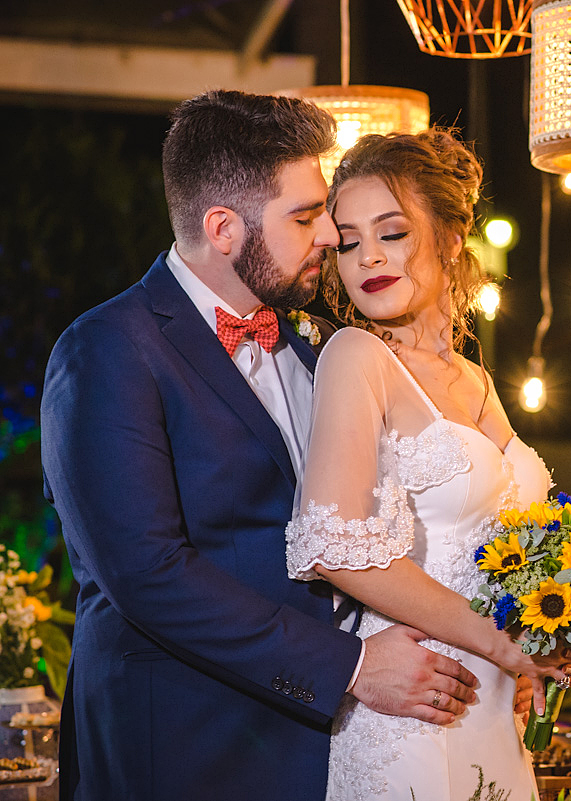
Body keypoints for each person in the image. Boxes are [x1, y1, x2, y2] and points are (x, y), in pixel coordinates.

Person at [40, 90, 481, 801]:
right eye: (304, 217)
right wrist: (350, 665)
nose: (331, 236)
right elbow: (148, 575)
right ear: (223, 228)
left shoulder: (317, 347)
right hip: (185, 750)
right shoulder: (108, 349)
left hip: (328, 746)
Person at [285, 128, 571, 800]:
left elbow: (522, 545)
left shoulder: (477, 381)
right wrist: (505, 644)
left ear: (452, 239)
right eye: (348, 242)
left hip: (498, 709)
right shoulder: (356, 357)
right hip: (415, 709)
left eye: (392, 232)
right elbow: (335, 548)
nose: (368, 256)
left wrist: (567, 631)